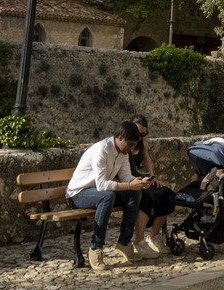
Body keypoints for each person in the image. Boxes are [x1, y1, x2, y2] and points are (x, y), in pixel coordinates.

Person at [66, 121, 154, 270]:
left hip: (98, 193)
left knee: (135, 192)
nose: (131, 148)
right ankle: (95, 248)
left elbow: (125, 176)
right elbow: (101, 185)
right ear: (119, 137)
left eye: (134, 145)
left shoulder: (123, 152)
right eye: (130, 144)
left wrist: (137, 182)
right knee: (107, 196)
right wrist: (129, 185)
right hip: (78, 194)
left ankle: (124, 243)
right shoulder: (101, 150)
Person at [128, 115, 177, 255]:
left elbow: (146, 157)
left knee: (166, 194)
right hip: (129, 179)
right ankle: (139, 242)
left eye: (144, 133)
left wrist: (151, 176)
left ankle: (154, 236)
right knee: (147, 196)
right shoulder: (126, 141)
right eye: (138, 133)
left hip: (141, 177)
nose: (141, 136)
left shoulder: (143, 139)